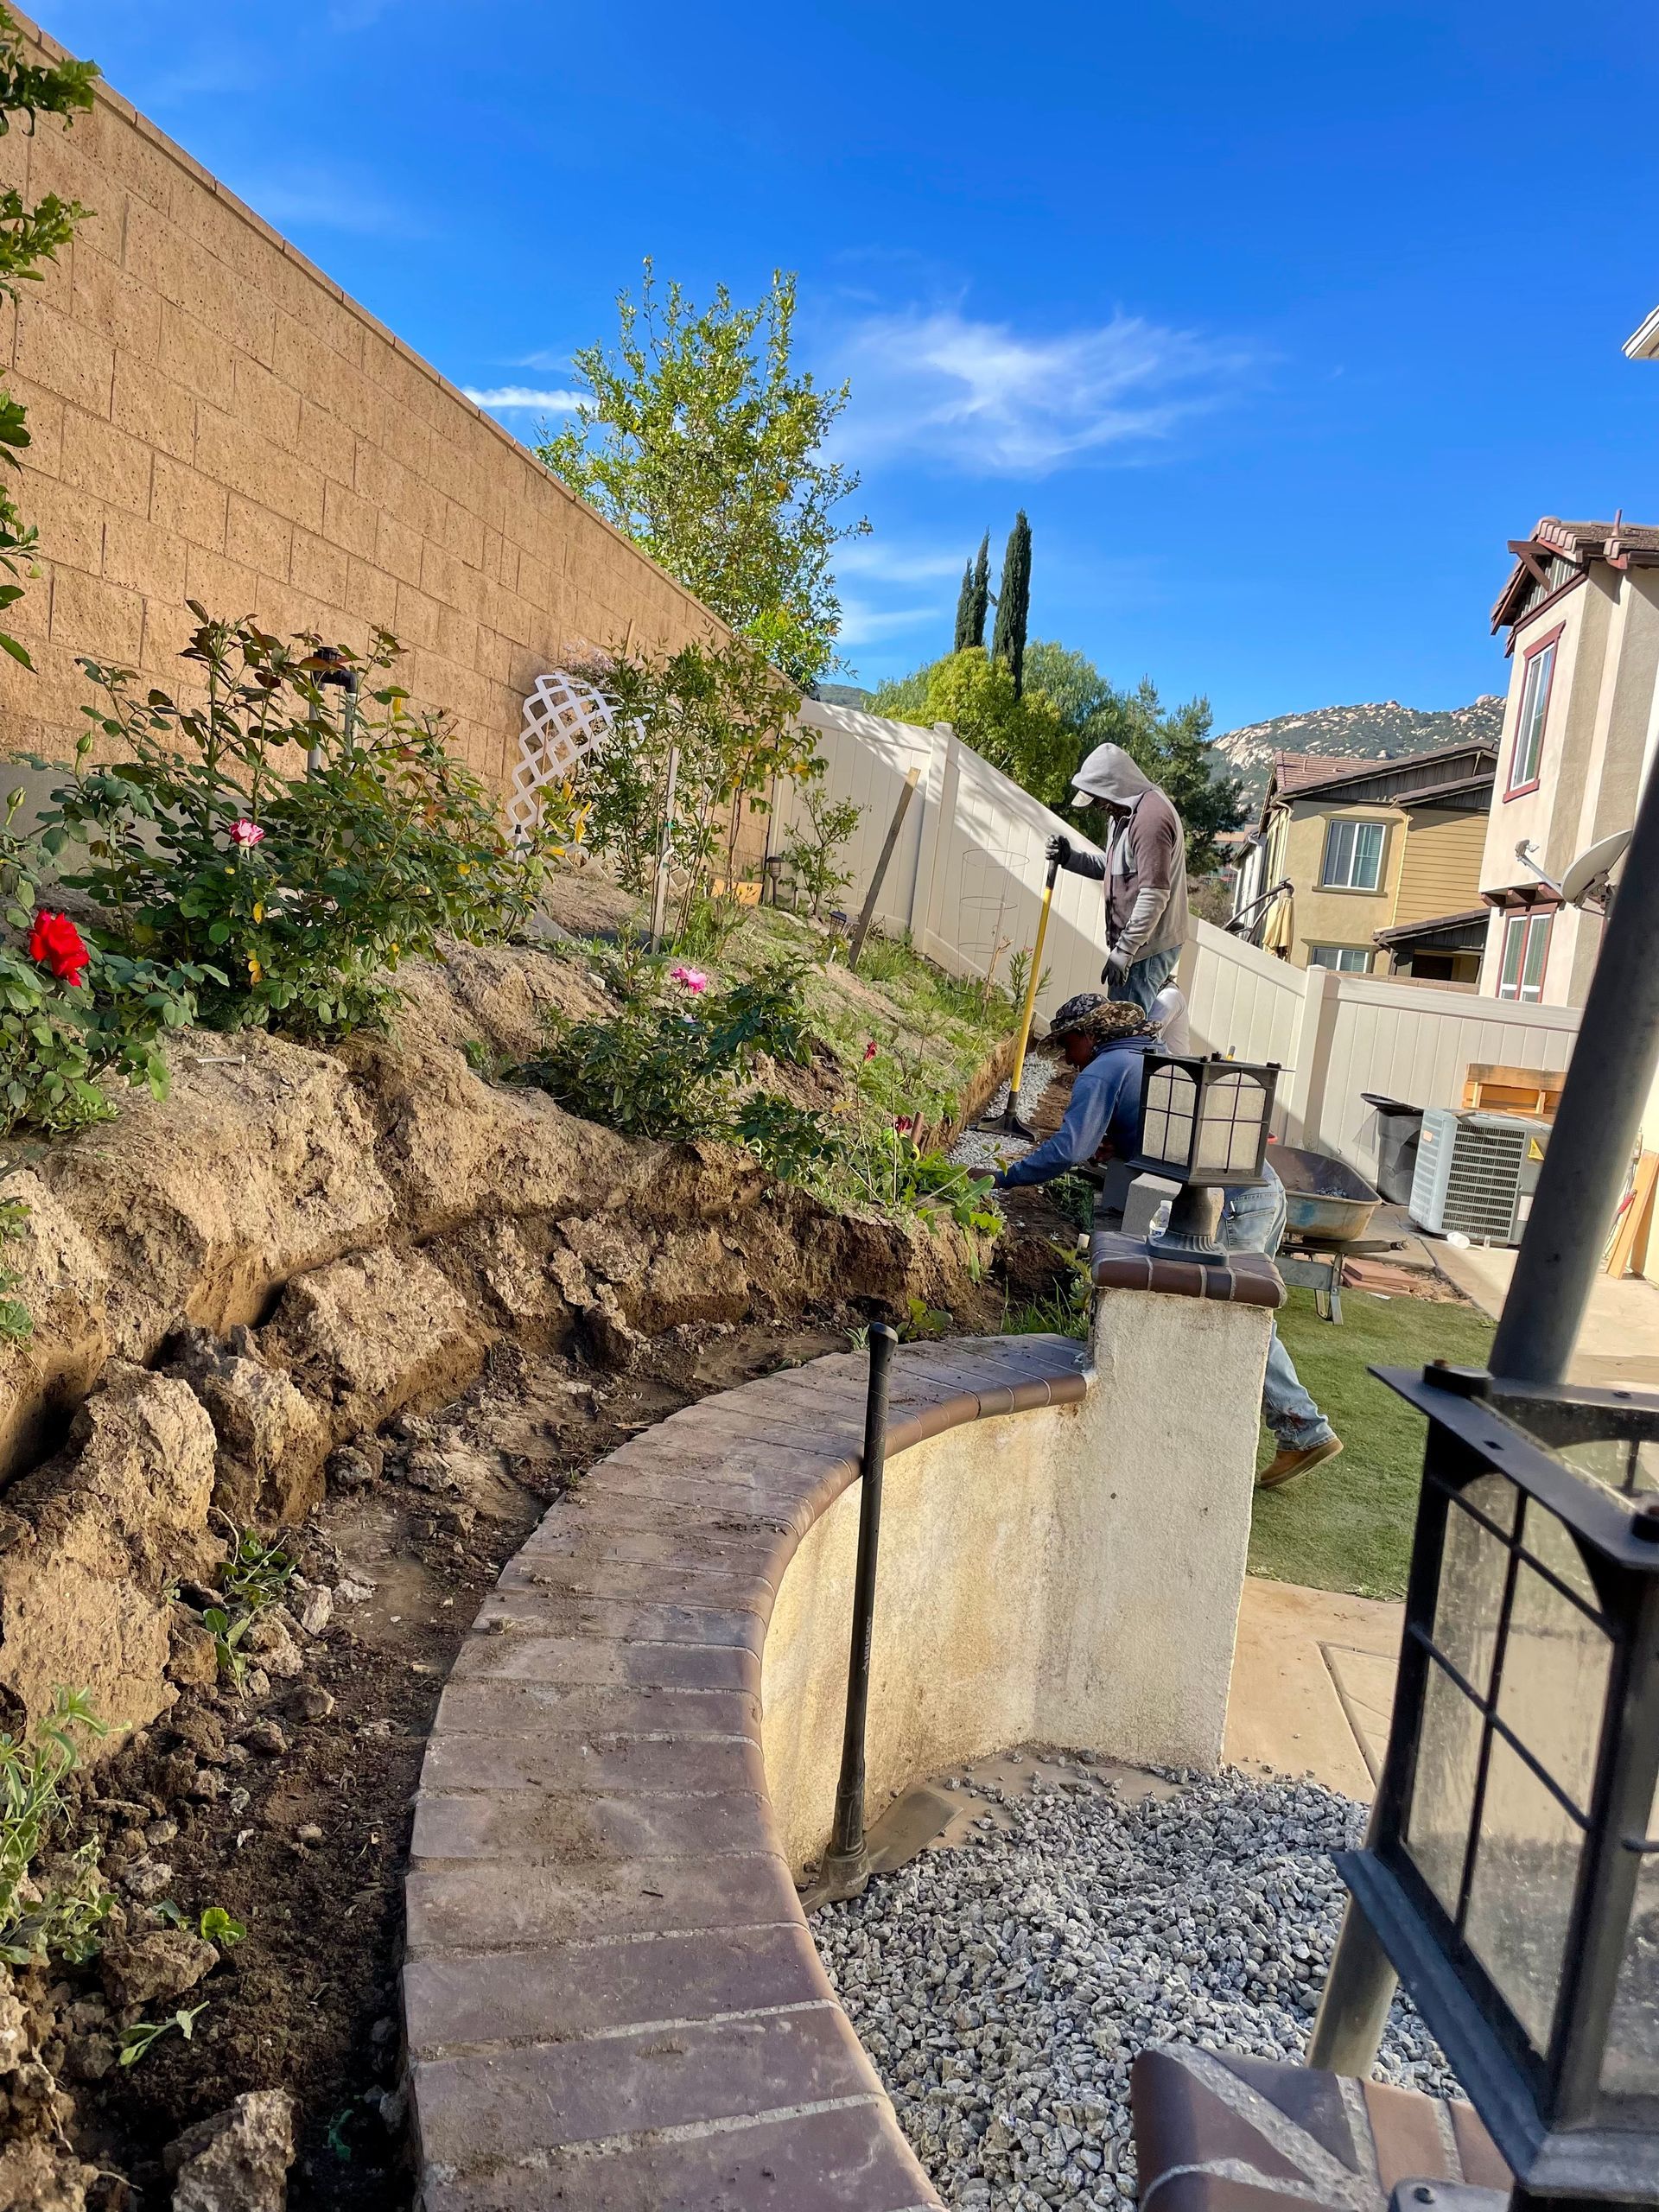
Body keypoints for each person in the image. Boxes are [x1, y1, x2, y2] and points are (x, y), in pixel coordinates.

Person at [993, 992, 1342, 1491]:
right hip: (1259, 1186)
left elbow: (1069, 1149)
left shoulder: (1103, 1068)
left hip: (1225, 1200)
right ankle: (1267, 1430)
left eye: (1069, 1043)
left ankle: (1303, 1427)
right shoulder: (1151, 1056)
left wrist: (1003, 1175)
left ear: (1090, 1036)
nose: (1067, 1057)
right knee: (1236, 1311)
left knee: (1233, 1313)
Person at [1046, 744, 1189, 1014]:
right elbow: (1112, 867)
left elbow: (1154, 894)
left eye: (1099, 799)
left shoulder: (1150, 820)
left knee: (1123, 1033)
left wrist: (1125, 950)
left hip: (1146, 949)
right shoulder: (1123, 813)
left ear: (1115, 787)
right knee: (1129, 1028)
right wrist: (1070, 858)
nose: (1099, 807)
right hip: (1138, 946)